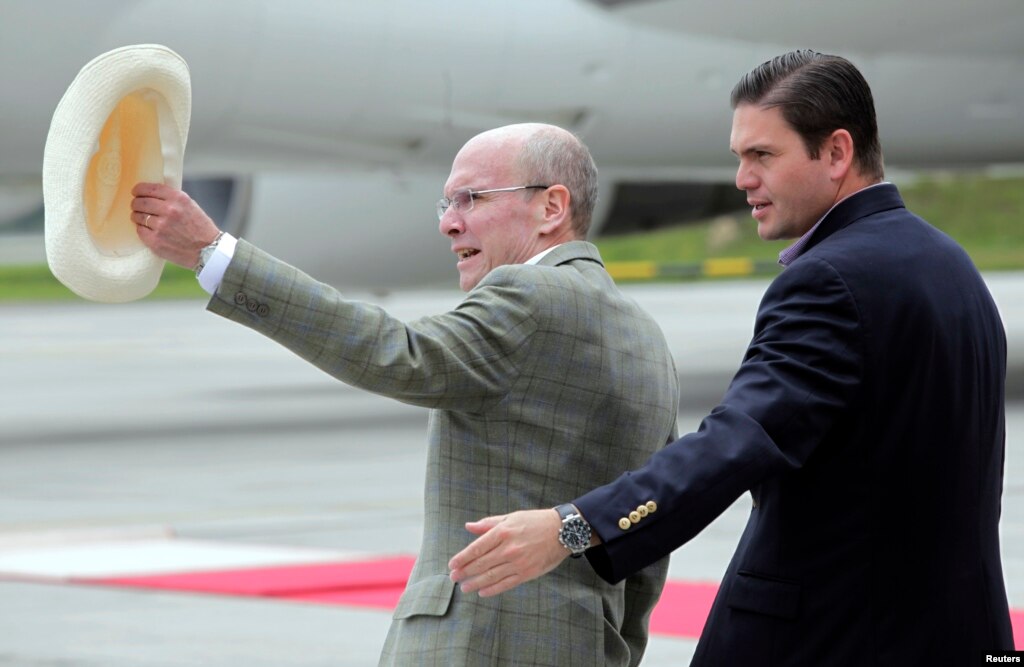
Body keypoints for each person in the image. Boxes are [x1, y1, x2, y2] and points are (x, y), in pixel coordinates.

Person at [448, 51, 1014, 664]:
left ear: (836, 153)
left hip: (833, 637)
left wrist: (572, 526)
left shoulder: (829, 280)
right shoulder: (950, 265)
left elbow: (737, 440)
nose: (743, 178)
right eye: (739, 157)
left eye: (762, 156)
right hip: (956, 635)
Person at [129, 123, 680, 666]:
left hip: (477, 642)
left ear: (551, 207)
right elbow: (651, 537)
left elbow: (399, 354)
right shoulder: (647, 340)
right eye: (444, 204)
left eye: (470, 198)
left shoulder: (530, 291)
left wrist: (214, 253)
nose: (450, 224)